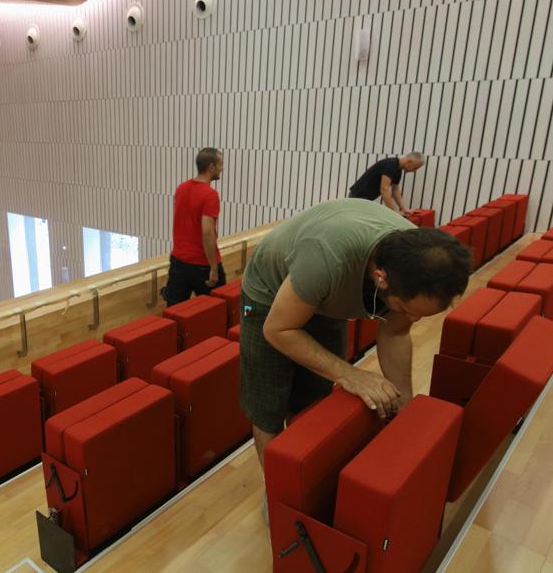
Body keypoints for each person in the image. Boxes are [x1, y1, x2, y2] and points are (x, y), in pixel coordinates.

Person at [237, 198, 471, 471]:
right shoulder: (328, 256)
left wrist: (404, 406)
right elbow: (278, 329)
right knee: (269, 408)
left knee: (313, 398)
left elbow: (395, 334)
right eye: (407, 309)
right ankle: (277, 492)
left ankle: (301, 473)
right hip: (268, 295)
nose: (413, 319)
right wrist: (350, 373)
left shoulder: (413, 266)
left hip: (326, 293)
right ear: (381, 278)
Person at [162, 147, 225, 306]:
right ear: (211, 167)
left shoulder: (181, 188)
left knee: (174, 313)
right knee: (216, 310)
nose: (222, 169)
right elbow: (207, 232)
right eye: (220, 164)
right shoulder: (210, 195)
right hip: (202, 265)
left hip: (178, 262)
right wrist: (213, 268)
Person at [348, 152, 426, 215]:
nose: (414, 171)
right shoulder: (390, 165)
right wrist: (394, 211)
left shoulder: (398, 169)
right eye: (415, 168)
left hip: (365, 199)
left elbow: (395, 190)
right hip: (357, 197)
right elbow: (384, 189)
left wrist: (404, 208)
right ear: (409, 162)